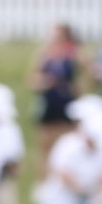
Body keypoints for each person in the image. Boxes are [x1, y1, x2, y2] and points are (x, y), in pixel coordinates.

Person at [31, 23, 80, 170]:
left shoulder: (73, 54)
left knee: (68, 144)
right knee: (46, 146)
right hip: (49, 102)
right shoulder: (44, 54)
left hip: (67, 103)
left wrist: (78, 88)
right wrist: (45, 82)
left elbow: (90, 73)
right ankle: (45, 182)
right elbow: (33, 79)